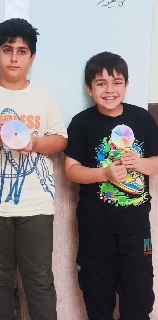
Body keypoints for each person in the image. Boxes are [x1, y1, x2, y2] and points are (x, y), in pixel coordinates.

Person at [0, 18, 67, 320]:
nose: (14, 58)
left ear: (32, 58)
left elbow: (60, 140)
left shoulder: (43, 97)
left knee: (39, 279)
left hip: (36, 204)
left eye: (22, 51)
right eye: (8, 50)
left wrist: (34, 143)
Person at [65, 52, 158, 320]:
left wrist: (140, 163)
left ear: (126, 85)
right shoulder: (81, 123)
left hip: (135, 227)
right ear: (89, 89)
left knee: (139, 296)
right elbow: (71, 170)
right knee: (97, 294)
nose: (109, 90)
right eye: (101, 83)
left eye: (117, 82)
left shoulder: (141, 118)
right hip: (95, 226)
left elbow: (156, 162)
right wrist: (104, 173)